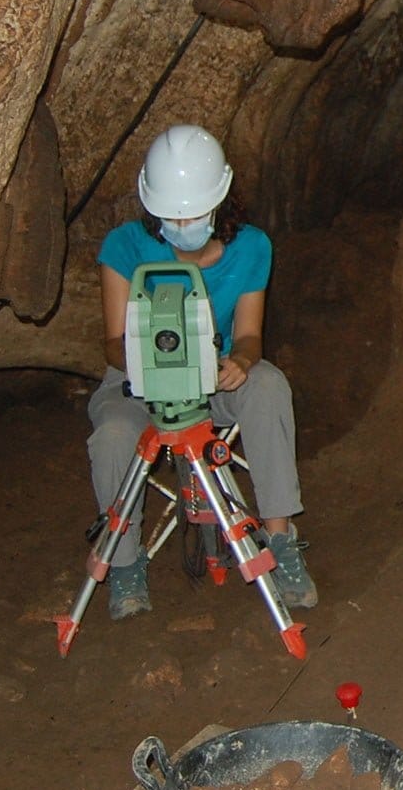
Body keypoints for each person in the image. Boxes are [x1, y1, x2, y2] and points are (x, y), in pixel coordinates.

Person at [85, 125, 316, 619]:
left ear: (219, 201)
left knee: (269, 386)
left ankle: (280, 542)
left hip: (214, 376)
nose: (183, 221)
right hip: (137, 379)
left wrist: (242, 362)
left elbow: (250, 335)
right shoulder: (124, 246)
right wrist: (152, 367)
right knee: (112, 434)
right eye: (171, 214)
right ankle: (124, 567)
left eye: (192, 211)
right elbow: (112, 342)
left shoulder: (252, 247)